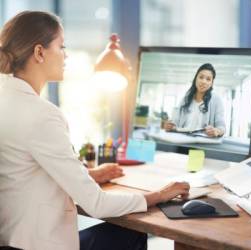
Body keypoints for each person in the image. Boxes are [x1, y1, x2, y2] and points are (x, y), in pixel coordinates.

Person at [0, 11, 190, 250]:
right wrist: (160, 195)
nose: (66, 55)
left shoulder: (6, 99)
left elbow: (26, 170)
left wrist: (90, 175)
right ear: (39, 52)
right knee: (131, 234)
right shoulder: (41, 115)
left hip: (12, 239)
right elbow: (97, 204)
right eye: (61, 46)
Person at [164, 63, 225, 137]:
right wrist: (169, 126)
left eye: (208, 79)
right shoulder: (185, 99)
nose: (204, 81)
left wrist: (217, 131)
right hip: (182, 140)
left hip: (202, 144)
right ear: (196, 78)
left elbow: (222, 127)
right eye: (201, 77)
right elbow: (175, 122)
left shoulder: (216, 100)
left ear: (212, 83)